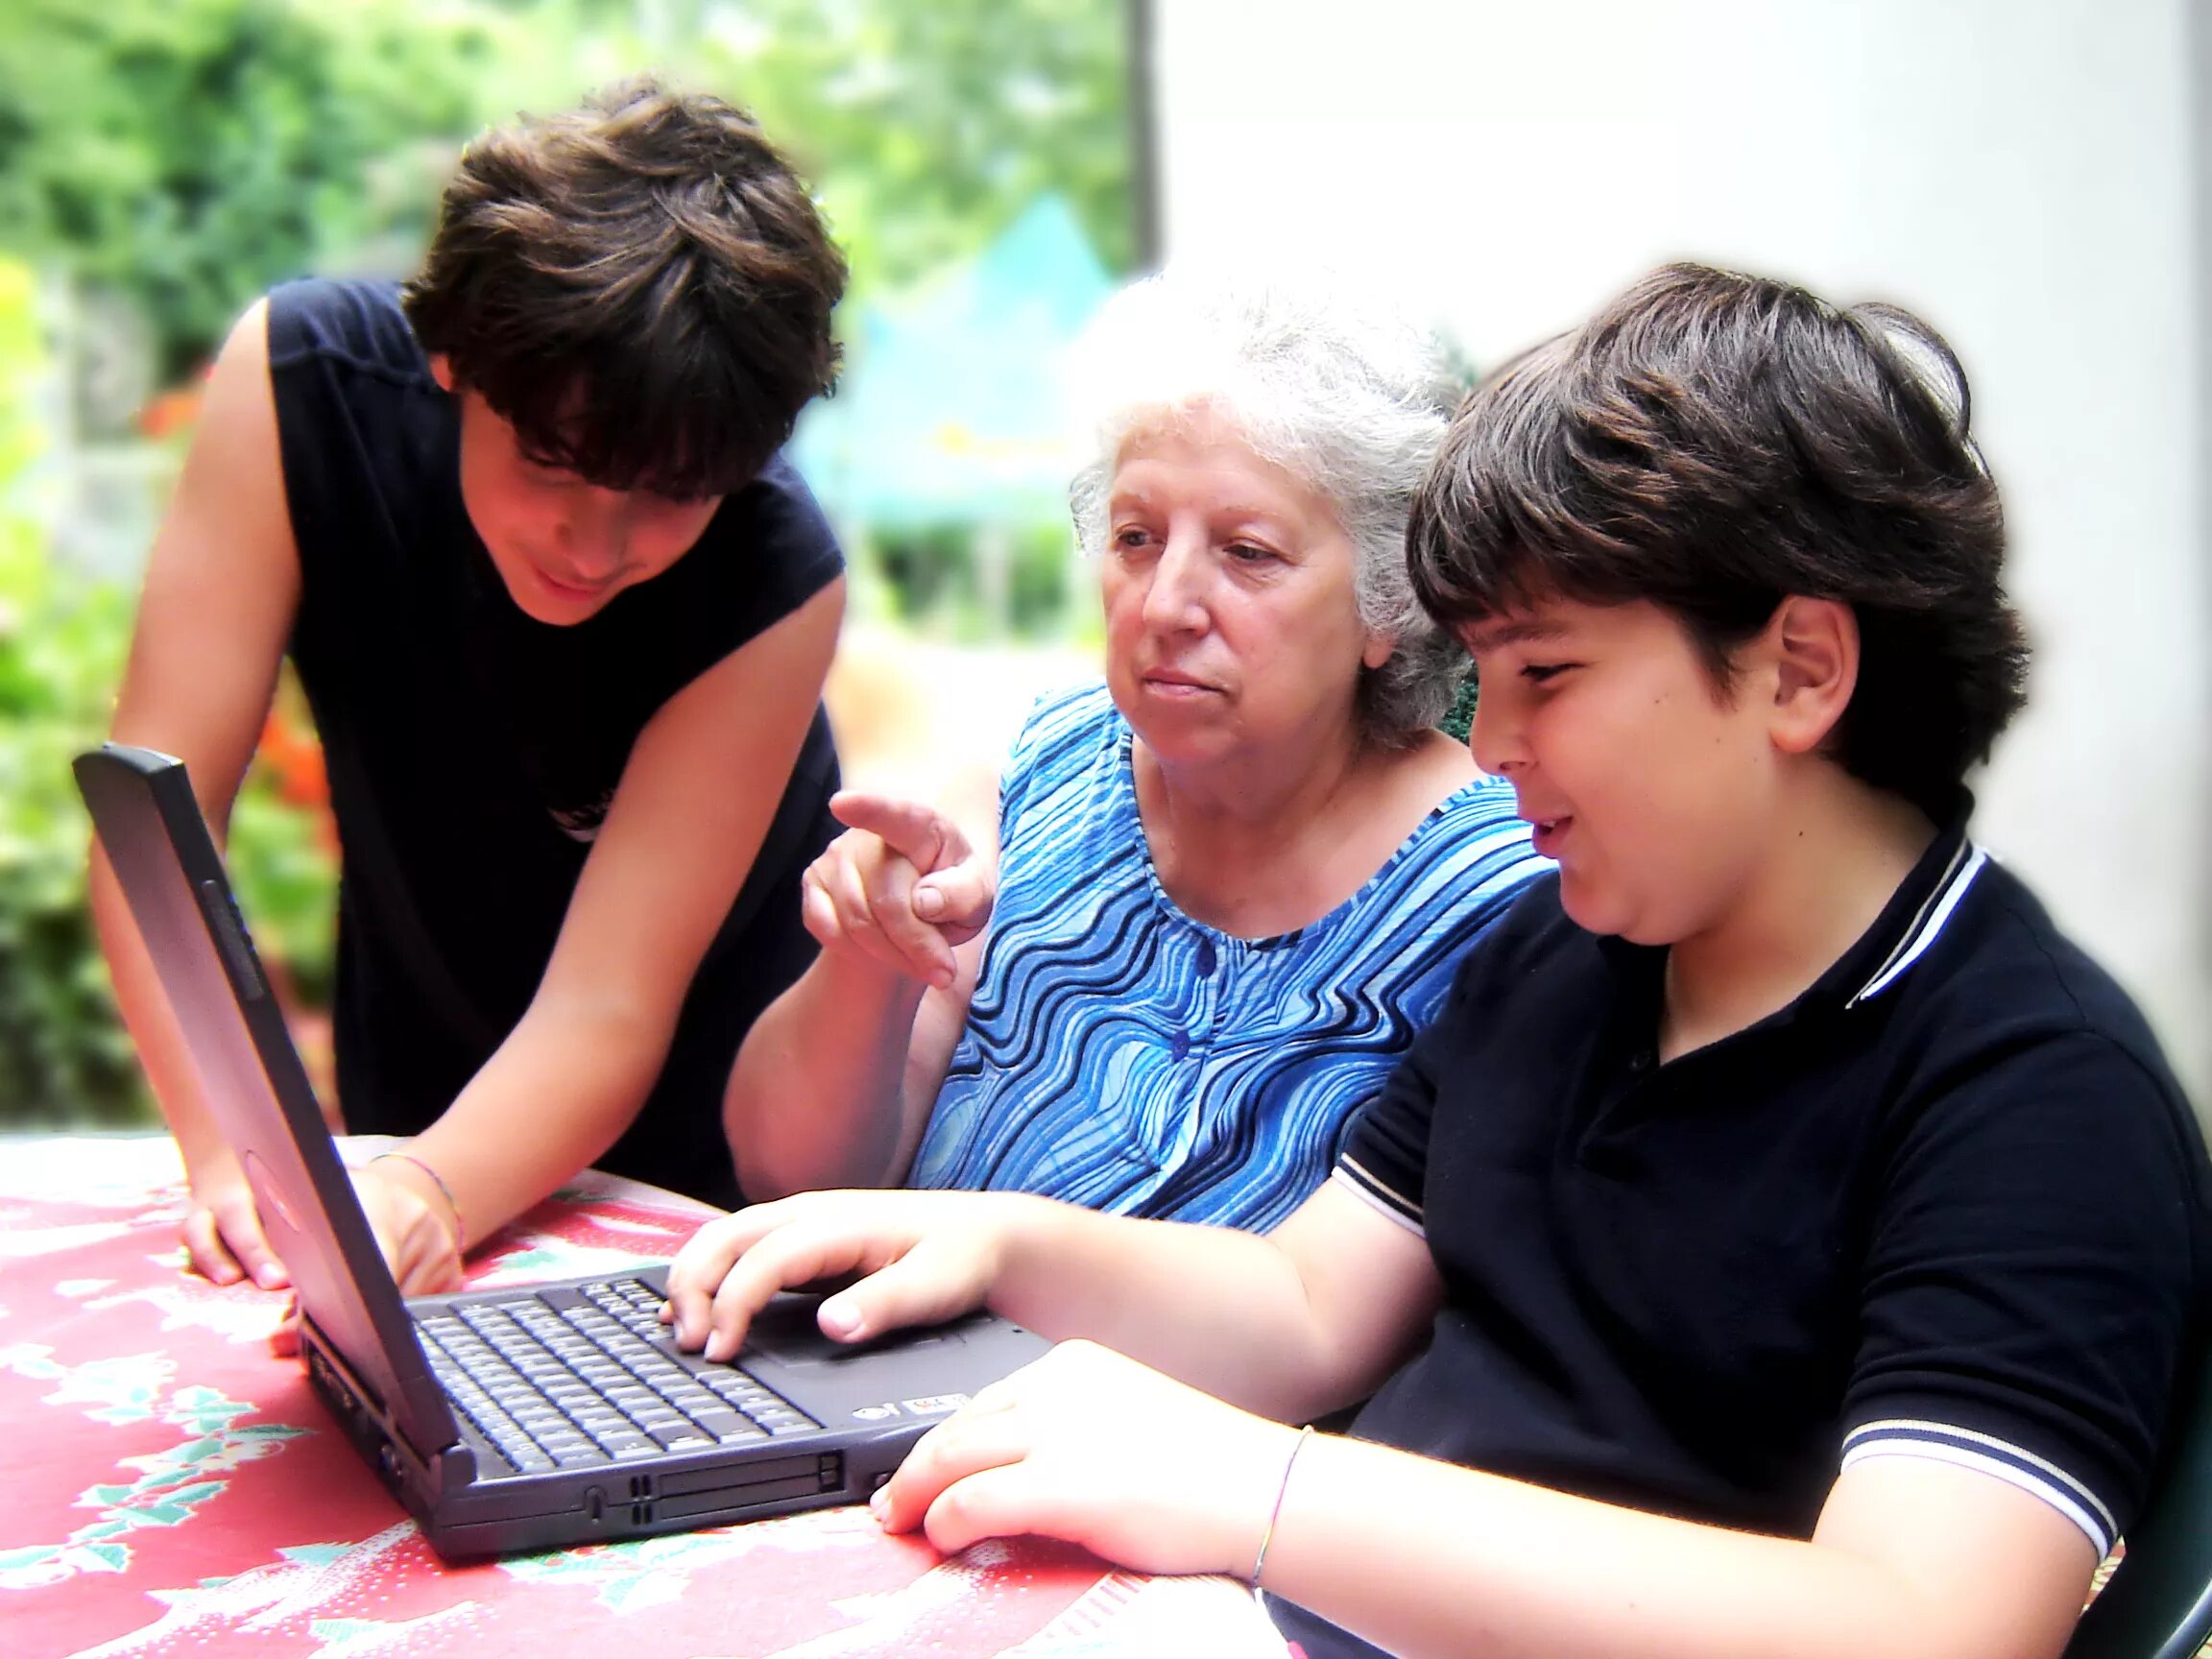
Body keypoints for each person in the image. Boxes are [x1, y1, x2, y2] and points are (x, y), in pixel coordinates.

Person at [665, 264, 2212, 1659]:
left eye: (1546, 678)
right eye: (1488, 678)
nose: (1497, 745)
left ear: (1799, 667)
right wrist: (995, 1240)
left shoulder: (2032, 1089)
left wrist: (1268, 1493)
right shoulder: (1570, 957)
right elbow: (1303, 1304)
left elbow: (1923, 1627)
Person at [89, 78, 851, 1300]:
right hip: (416, 1104)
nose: (595, 545)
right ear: (453, 359)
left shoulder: (776, 579)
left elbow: (610, 1003)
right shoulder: (305, 388)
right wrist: (244, 1161)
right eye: (551, 459)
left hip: (698, 1201)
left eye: (670, 495)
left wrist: (432, 1190)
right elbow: (158, 826)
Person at [722, 270, 1547, 1229]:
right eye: (1136, 537)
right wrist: (872, 963)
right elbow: (782, 1179)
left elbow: (1349, 1321)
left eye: (1248, 552)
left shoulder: (1495, 891)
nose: (1165, 606)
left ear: (1386, 604)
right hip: (895, 1362)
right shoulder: (1038, 772)